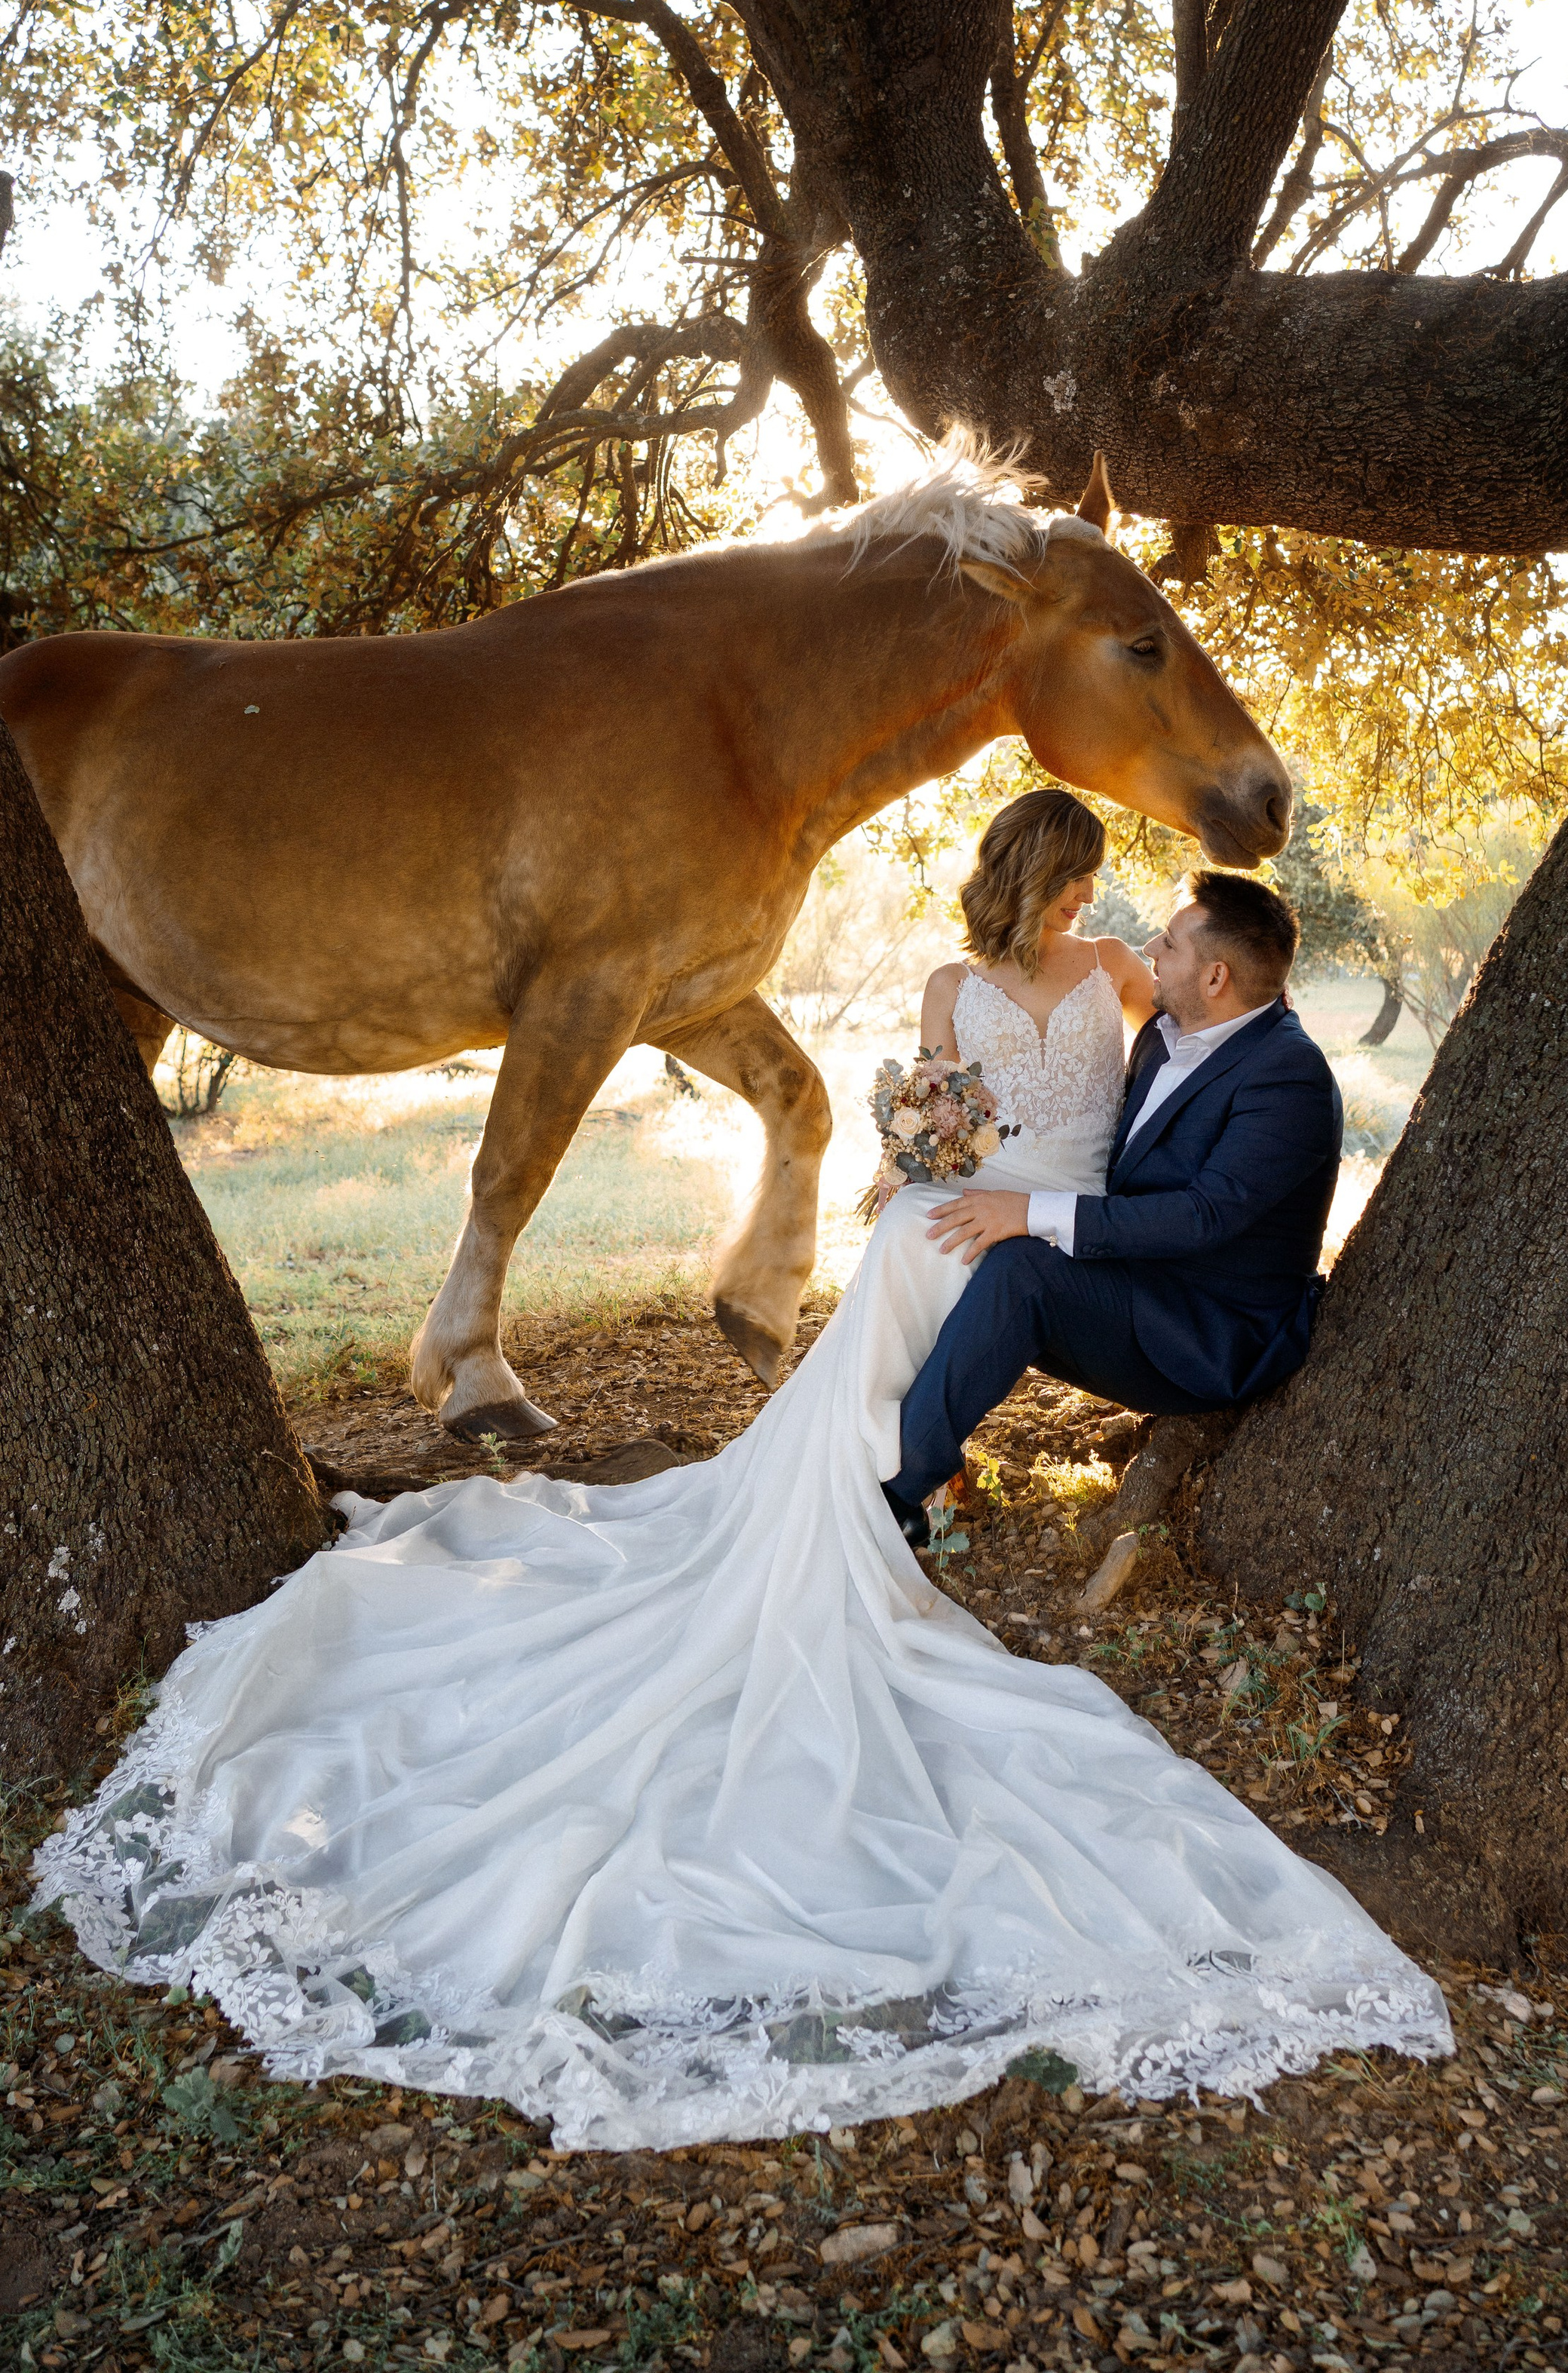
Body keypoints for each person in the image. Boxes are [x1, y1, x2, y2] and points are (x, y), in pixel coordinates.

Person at [39, 789, 1448, 2152]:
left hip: (1131, 1268)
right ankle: (859, 1472)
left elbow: (1166, 1183)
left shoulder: (1156, 1006)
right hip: (1025, 1209)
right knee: (928, 1238)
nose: (1111, 917)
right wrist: (928, 1159)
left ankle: (890, 1486)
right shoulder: (992, 986)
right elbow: (954, 1123)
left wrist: (1025, 1199)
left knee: (993, 1260)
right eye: (1080, 888)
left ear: (1203, 970)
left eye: (1131, 911)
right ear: (1034, 881)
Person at [887, 865, 1337, 1530]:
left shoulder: (1288, 1076)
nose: (1150, 950)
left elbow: (1203, 1215)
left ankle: (893, 1493)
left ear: (1217, 978)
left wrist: (1028, 1214)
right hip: (1137, 1289)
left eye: (1171, 943)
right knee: (949, 1245)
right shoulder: (1164, 1034)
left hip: (1208, 1335)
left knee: (1021, 1268)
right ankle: (889, 1449)